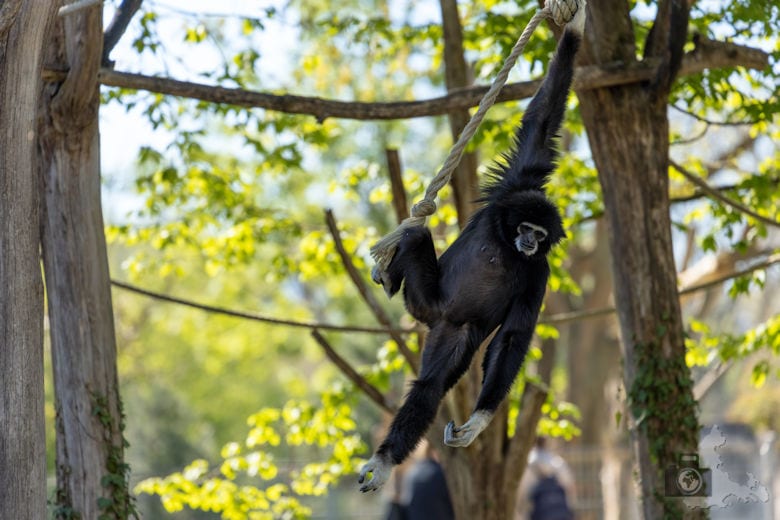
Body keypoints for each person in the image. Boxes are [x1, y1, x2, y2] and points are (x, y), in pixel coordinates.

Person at [517, 437, 575, 520]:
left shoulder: (527, 464)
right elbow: (570, 487)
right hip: (560, 513)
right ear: (546, 443)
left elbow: (521, 492)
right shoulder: (557, 462)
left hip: (537, 513)